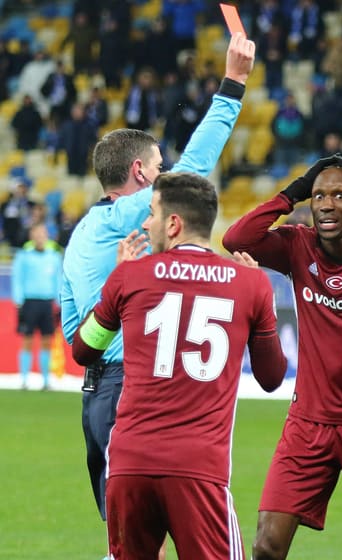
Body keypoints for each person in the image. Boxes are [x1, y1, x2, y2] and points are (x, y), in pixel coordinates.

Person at [59, 31, 254, 538]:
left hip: (98, 392)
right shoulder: (121, 219)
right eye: (159, 170)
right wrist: (232, 86)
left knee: (129, 541)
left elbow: (73, 330)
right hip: (136, 390)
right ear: (140, 172)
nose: (166, 178)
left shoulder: (80, 238)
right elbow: (192, 173)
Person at [71, 172, 287, 559]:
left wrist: (115, 287)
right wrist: (264, 307)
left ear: (174, 223)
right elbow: (272, 378)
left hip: (129, 465)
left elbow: (84, 350)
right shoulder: (249, 284)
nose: (146, 223)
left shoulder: (130, 275)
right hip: (198, 469)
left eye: (152, 213)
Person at [222, 154, 342, 560]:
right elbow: (236, 240)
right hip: (308, 420)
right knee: (266, 545)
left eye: (339, 195)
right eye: (318, 196)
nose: (326, 204)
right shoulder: (298, 246)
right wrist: (292, 191)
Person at [12, 223, 62, 390]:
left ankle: (46, 380)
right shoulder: (23, 256)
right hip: (29, 302)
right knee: (27, 340)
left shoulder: (54, 256)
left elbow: (59, 281)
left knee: (47, 340)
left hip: (47, 303)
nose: (40, 236)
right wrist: (18, 301)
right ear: (32, 236)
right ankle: (24, 379)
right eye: (37, 233)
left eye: (43, 233)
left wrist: (59, 302)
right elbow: (17, 279)